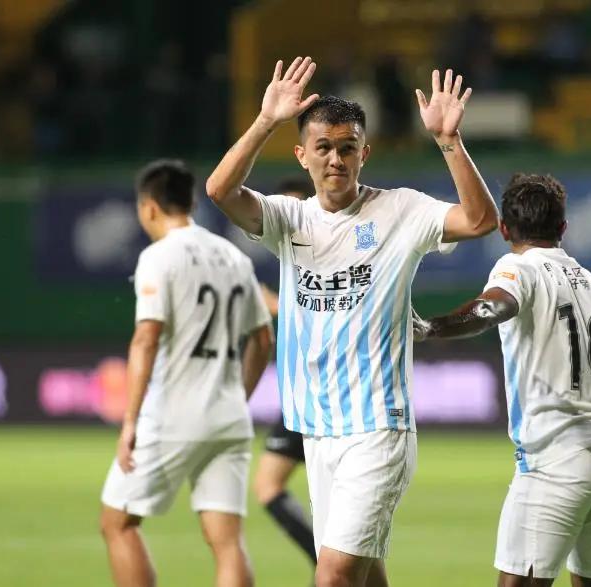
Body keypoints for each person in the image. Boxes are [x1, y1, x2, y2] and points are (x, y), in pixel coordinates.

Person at [205, 56, 498, 587]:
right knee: (363, 576)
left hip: (377, 426)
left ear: (365, 152)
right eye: (323, 147)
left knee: (333, 576)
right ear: (302, 155)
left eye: (347, 147)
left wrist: (449, 141)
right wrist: (266, 120)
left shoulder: (400, 211)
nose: (335, 159)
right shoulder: (288, 219)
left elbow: (480, 220)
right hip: (317, 429)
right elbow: (220, 191)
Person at [413, 173, 591, 587]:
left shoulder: (518, 267)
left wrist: (431, 328)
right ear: (563, 227)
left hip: (560, 454)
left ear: (504, 229)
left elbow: (493, 308)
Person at [99, 159, 273, 587]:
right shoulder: (233, 256)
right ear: (192, 203)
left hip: (174, 414)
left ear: (148, 208)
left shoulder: (158, 257)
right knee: (227, 542)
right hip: (229, 417)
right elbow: (263, 339)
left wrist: (129, 421)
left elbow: (146, 339)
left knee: (117, 523)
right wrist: (238, 397)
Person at [251, 176, 318, 568]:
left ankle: (326, 563)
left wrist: (274, 305)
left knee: (269, 485)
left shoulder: (321, 252)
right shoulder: (290, 260)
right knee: (269, 485)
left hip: (319, 390)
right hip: (302, 391)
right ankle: (327, 565)